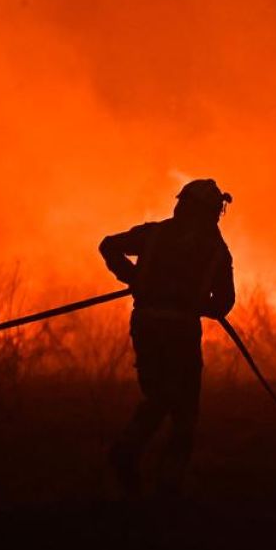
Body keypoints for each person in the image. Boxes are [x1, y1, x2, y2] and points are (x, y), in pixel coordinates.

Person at [99, 178, 235, 495]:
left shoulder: (155, 234)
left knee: (160, 396)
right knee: (183, 409)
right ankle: (160, 478)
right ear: (213, 212)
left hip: (146, 326)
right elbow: (223, 303)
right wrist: (199, 304)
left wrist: (134, 279)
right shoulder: (215, 250)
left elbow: (109, 245)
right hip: (180, 333)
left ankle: (135, 461)